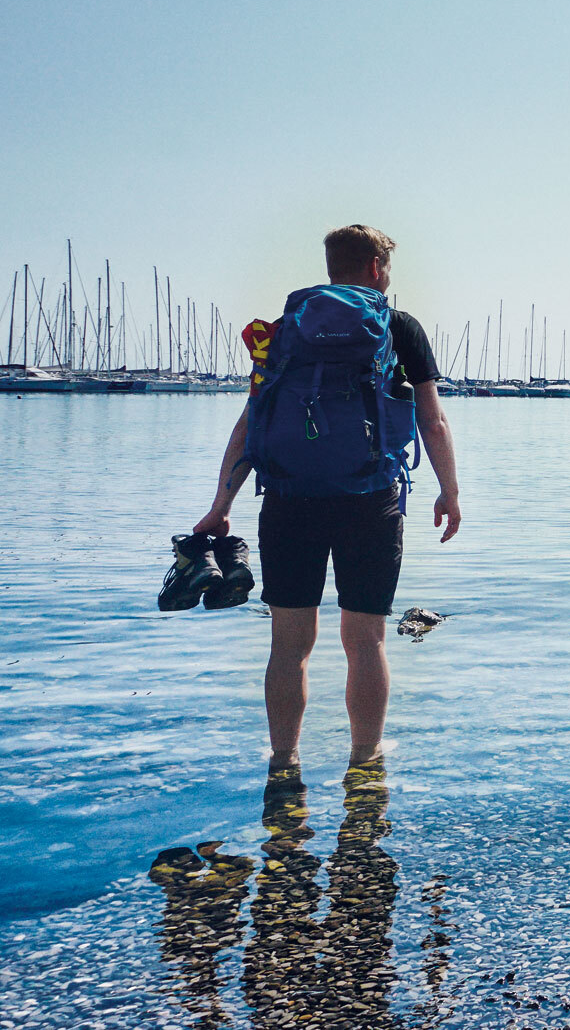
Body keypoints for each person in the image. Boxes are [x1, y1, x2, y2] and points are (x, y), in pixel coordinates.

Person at [190, 225, 462, 771]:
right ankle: (366, 759)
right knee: (366, 640)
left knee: (289, 644)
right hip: (371, 500)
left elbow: (252, 423)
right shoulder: (398, 326)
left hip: (290, 497)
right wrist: (449, 492)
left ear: (332, 265)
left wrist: (221, 505)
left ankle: (284, 760)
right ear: (377, 269)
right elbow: (431, 421)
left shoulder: (287, 330)